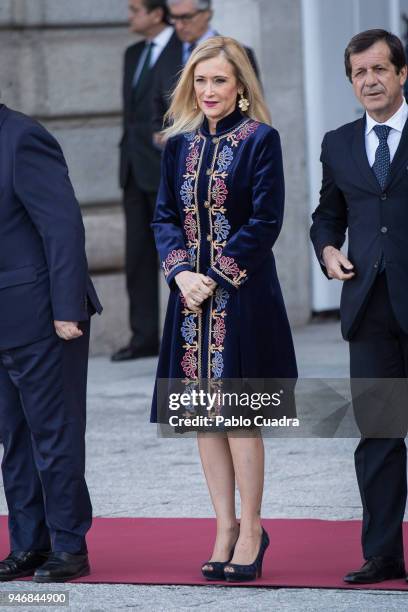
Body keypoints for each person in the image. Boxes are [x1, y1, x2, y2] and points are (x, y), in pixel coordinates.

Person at [151, 36, 297, 582]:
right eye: (201, 79)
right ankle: (224, 528)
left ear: (241, 87)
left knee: (237, 417)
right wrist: (180, 273)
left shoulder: (262, 140)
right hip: (190, 303)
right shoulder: (178, 146)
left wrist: (213, 276)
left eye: (219, 80)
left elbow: (266, 220)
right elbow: (164, 216)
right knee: (203, 421)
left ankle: (254, 529)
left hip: (243, 298)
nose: (208, 90)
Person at [310, 29, 408, 585]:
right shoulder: (339, 142)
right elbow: (328, 214)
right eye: (359, 73)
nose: (369, 81)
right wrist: (326, 249)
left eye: (379, 69)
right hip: (369, 309)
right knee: (379, 435)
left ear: (401, 73)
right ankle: (383, 553)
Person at [0, 103, 102, 582]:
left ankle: (68, 545)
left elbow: (62, 226)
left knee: (53, 431)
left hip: (42, 315)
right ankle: (28, 545)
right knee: (14, 437)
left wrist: (67, 308)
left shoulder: (23, 137)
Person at [112, 0, 174, 362]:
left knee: (178, 252)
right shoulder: (133, 53)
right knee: (137, 255)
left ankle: (184, 334)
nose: (130, 16)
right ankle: (144, 336)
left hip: (164, 166)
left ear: (156, 13)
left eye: (135, 9)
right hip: (133, 168)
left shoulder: (181, 50)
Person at [151, 0, 260, 136]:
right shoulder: (164, 56)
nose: (179, 25)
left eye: (186, 17)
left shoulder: (239, 54)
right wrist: (164, 138)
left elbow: (251, 106)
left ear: (207, 13)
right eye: (174, 18)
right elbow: (156, 110)